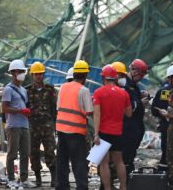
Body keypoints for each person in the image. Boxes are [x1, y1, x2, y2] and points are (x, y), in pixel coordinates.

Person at [54, 61, 94, 190]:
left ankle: (62, 186)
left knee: (62, 160)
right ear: (85, 75)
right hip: (76, 131)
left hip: (61, 129)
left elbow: (58, 107)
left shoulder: (63, 87)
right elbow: (89, 111)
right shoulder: (84, 90)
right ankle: (81, 187)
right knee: (79, 162)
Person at [93, 64, 133, 190]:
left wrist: (96, 134)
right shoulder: (123, 93)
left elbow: (97, 114)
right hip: (118, 132)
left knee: (103, 163)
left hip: (103, 132)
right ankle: (123, 187)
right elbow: (129, 114)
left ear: (103, 78)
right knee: (119, 162)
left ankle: (107, 188)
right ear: (115, 78)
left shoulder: (98, 92)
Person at [2, 60, 33, 189]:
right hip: (13, 126)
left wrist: (28, 112)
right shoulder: (8, 89)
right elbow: (4, 108)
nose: (22, 74)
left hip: (24, 125)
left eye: (23, 71)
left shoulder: (23, 90)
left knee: (25, 153)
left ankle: (24, 179)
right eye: (20, 71)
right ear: (13, 72)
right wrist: (20, 111)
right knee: (12, 154)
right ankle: (11, 178)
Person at [26, 62, 57, 187]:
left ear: (43, 75)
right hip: (33, 126)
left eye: (41, 74)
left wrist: (54, 124)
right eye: (36, 74)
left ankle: (54, 178)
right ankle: (38, 178)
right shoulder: (27, 90)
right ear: (32, 75)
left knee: (50, 151)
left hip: (47, 125)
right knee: (34, 153)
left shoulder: (50, 89)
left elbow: (54, 107)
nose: (39, 76)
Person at [120, 59, 148, 179]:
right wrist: (140, 103)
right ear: (135, 71)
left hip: (134, 128)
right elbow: (130, 107)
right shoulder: (125, 86)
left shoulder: (133, 85)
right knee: (125, 158)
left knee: (129, 156)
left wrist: (139, 96)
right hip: (128, 129)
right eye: (141, 75)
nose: (141, 78)